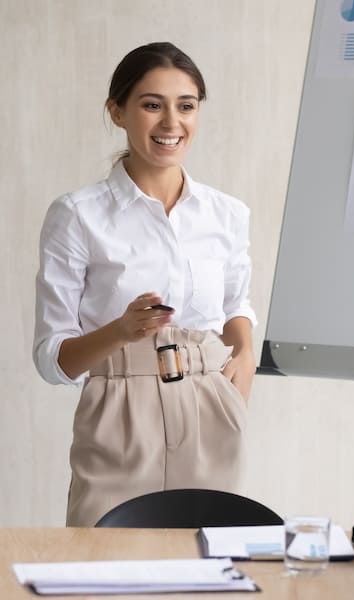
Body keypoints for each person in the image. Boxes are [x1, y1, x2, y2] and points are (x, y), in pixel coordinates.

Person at [33, 42, 257, 527]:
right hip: (119, 410)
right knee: (100, 565)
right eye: (152, 105)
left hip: (209, 407)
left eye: (186, 105)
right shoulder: (77, 215)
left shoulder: (227, 214)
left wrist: (245, 354)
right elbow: (52, 359)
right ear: (117, 111)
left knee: (207, 566)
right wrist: (120, 330)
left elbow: (236, 303)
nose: (171, 123)